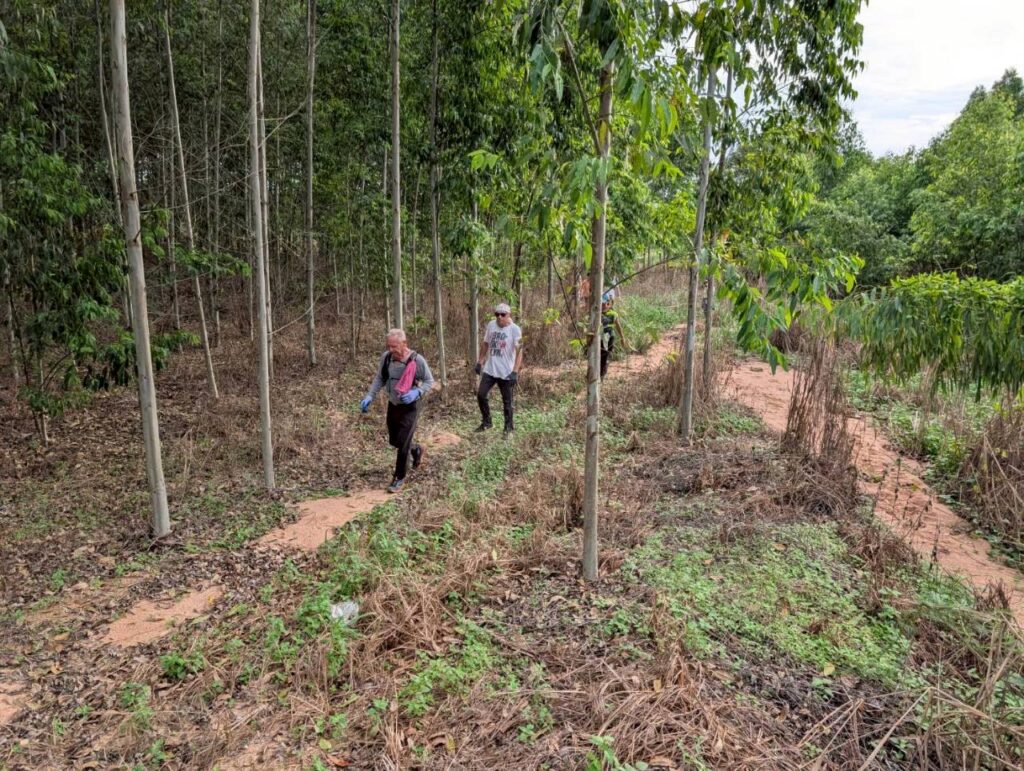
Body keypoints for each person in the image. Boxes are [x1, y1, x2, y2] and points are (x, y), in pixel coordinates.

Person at [359, 329, 434, 493]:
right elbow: (380, 378)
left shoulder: (417, 360)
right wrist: (370, 396)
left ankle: (399, 478)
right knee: (395, 440)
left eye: (394, 346)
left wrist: (417, 392)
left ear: (404, 343)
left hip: (411, 407)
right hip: (393, 404)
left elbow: (429, 381)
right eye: (389, 346)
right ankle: (417, 449)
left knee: (403, 445)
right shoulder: (386, 358)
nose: (391, 349)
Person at [475, 302, 523, 436]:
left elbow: (519, 351)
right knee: (481, 395)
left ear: (509, 315)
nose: (499, 317)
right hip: (490, 369)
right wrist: (480, 361)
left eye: (503, 314)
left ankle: (508, 428)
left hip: (506, 372)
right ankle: (487, 422)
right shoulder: (491, 325)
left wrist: (515, 371)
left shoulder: (515, 329)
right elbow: (485, 344)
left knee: (507, 402)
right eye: (497, 314)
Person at [598, 291, 630, 379]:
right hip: (599, 339)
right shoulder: (597, 313)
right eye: (601, 304)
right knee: (598, 357)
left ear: (609, 303)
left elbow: (618, 326)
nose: (603, 306)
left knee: (604, 357)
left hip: (609, 339)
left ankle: (601, 376)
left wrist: (622, 337)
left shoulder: (613, 313)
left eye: (605, 304)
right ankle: (600, 373)